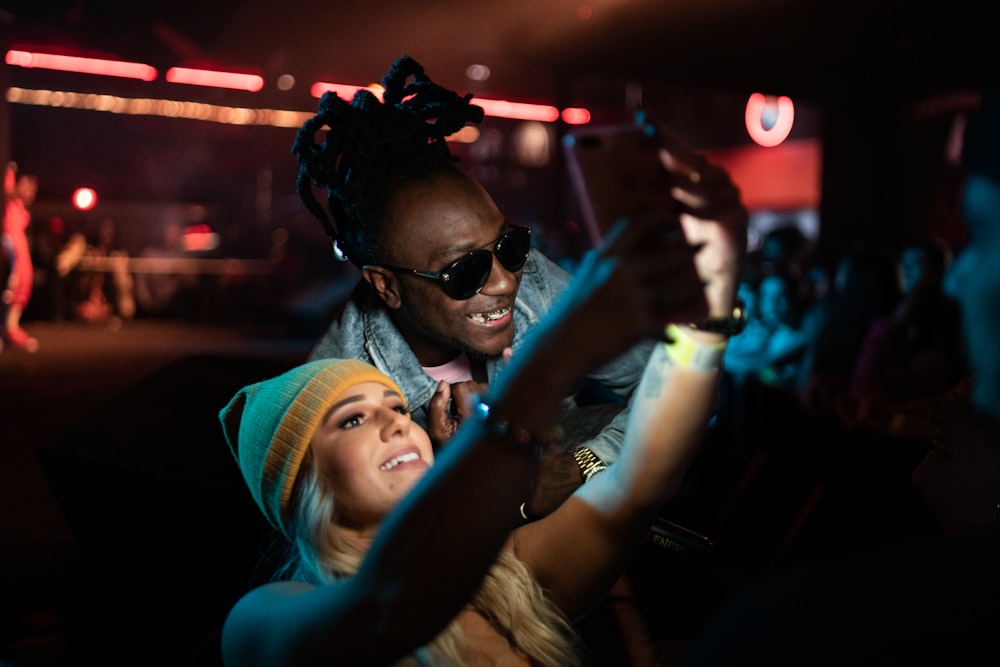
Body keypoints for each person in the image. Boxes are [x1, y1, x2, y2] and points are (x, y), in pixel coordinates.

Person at [219, 133, 746, 666]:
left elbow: (641, 476)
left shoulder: (506, 571)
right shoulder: (266, 614)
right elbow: (386, 610)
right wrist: (541, 381)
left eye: (400, 408)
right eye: (353, 420)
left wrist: (708, 310)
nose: (504, 282)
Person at [293, 56, 747, 519]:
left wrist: (581, 466)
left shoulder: (532, 279)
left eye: (510, 245)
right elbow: (368, 570)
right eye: (463, 270)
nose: (507, 280)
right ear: (385, 286)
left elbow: (677, 390)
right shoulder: (336, 388)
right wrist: (466, 474)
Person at [1, 162, 40, 353]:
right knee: (11, 286)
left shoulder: (22, 209)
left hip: (20, 250)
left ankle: (11, 327)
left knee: (23, 284)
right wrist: (9, 172)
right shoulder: (10, 203)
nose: (30, 191)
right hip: (10, 249)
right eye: (27, 186)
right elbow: (7, 190)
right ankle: (6, 329)